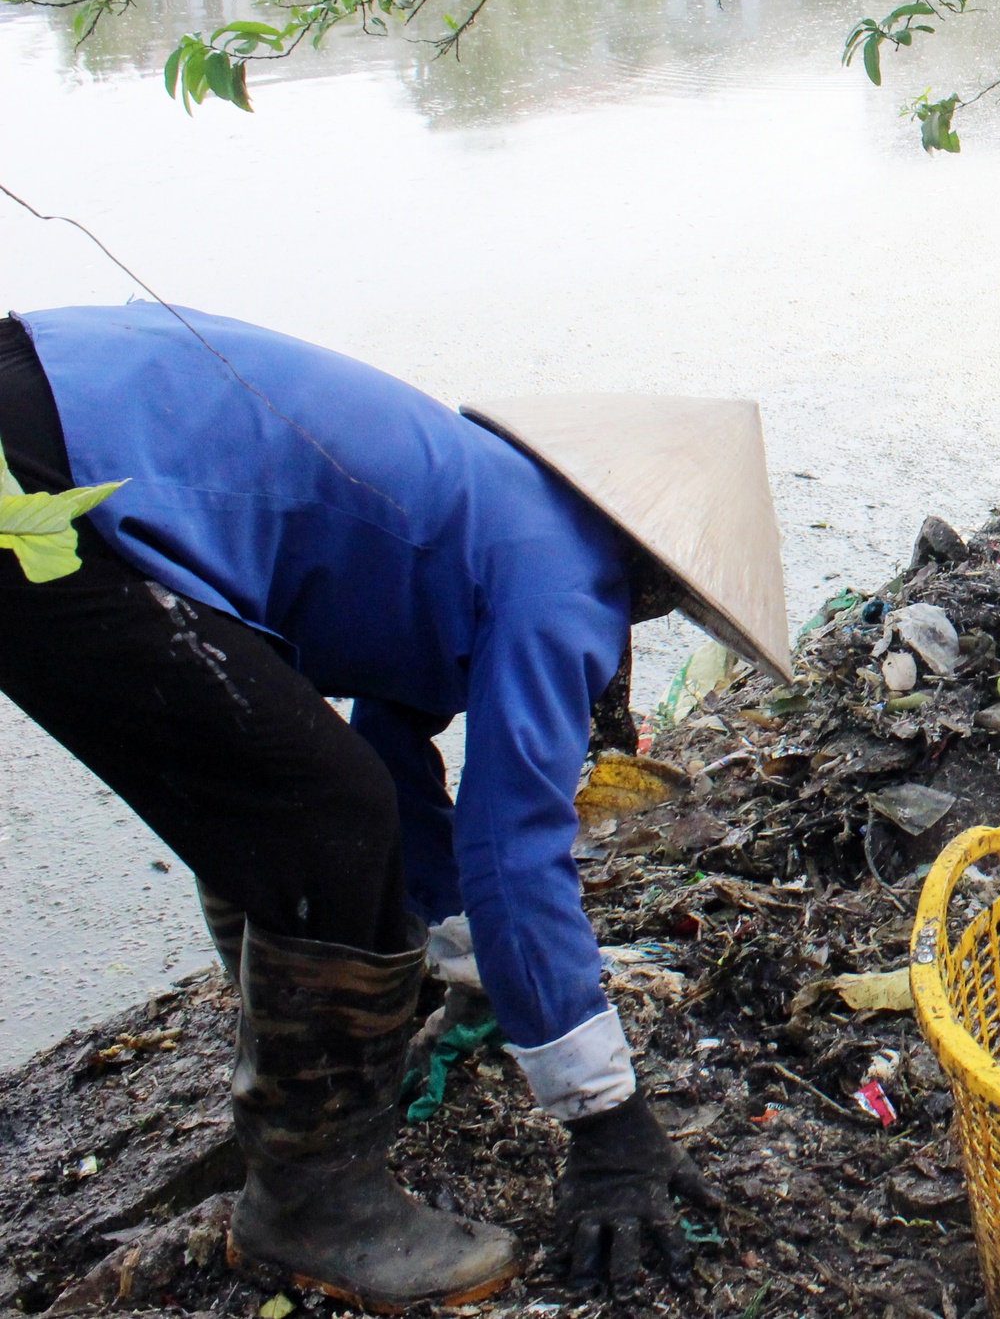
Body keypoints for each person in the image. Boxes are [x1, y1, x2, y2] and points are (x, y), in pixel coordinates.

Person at [0, 304, 793, 1307]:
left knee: (284, 785)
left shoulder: (486, 506)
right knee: (324, 820)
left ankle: (306, 1078)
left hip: (51, 399)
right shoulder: (564, 583)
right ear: (654, 573)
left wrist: (448, 956)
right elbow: (515, 847)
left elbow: (392, 735)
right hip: (50, 471)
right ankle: (314, 1199)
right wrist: (606, 1122)